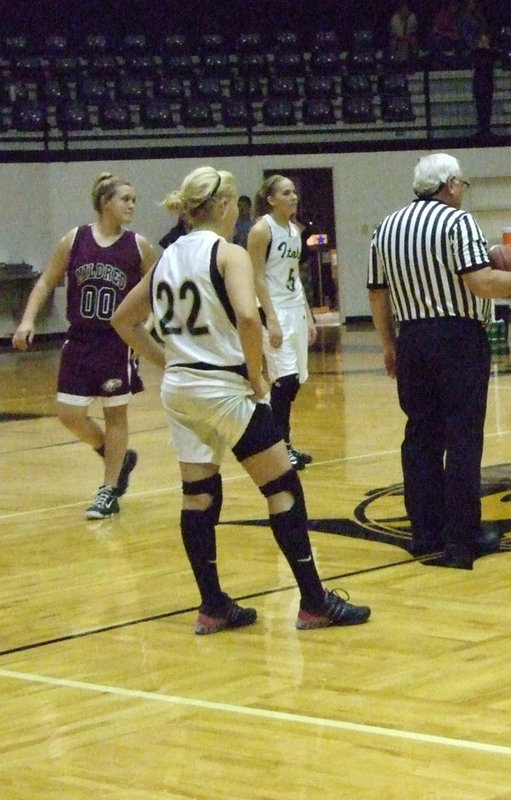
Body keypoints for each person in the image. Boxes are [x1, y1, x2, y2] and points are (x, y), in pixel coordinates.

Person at [110, 166, 370, 631]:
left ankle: (212, 605)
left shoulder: (166, 258)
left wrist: (167, 362)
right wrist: (257, 377)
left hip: (181, 391)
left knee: (199, 495)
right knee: (282, 487)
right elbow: (249, 320)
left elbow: (123, 321)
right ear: (227, 206)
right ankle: (313, 601)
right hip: (223, 388)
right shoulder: (228, 253)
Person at [368, 153, 511, 569]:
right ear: (448, 184)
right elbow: (482, 283)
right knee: (462, 437)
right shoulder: (457, 221)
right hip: (457, 338)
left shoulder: (386, 227)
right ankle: (463, 536)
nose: (463, 190)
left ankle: (424, 532)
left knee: (420, 436)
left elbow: (377, 292)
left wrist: (389, 345)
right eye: (461, 183)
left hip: (411, 339)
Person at [11, 173, 156, 519]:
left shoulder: (139, 246)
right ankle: (113, 453)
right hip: (79, 339)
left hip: (116, 341)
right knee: (69, 414)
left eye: (134, 200)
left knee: (115, 413)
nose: (132, 205)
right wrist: (28, 320)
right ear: (106, 203)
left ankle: (108, 491)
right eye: (126, 199)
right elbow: (47, 280)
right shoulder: (75, 239)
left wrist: (144, 328)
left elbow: (157, 290)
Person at [247, 175, 318, 471]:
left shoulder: (292, 229)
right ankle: (279, 447)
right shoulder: (262, 229)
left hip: (294, 310)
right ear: (271, 198)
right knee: (284, 380)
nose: (294, 197)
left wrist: (309, 316)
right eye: (286, 193)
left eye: (294, 193)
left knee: (295, 380)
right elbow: (256, 275)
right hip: (272, 311)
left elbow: (294, 277)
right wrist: (271, 319)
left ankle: (282, 444)